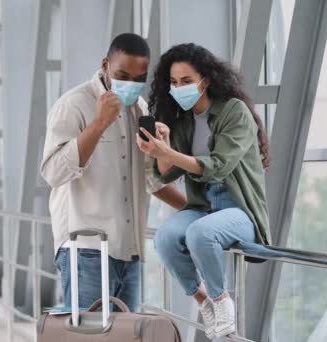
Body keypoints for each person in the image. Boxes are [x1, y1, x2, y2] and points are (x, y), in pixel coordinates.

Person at [40, 33, 186, 312]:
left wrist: (196, 209)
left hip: (129, 251)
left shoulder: (139, 109)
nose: (130, 84)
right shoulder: (73, 105)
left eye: (138, 78)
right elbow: (53, 172)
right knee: (89, 335)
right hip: (86, 248)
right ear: (105, 65)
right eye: (123, 75)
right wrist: (98, 124)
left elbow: (149, 179)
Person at [136, 43, 272, 339]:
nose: (178, 87)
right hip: (203, 206)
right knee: (165, 238)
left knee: (201, 233)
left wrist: (168, 153)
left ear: (205, 81)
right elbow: (168, 172)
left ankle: (222, 301)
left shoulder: (233, 111)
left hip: (239, 209)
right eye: (173, 82)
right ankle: (205, 302)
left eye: (186, 81)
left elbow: (218, 166)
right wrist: (163, 146)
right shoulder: (185, 121)